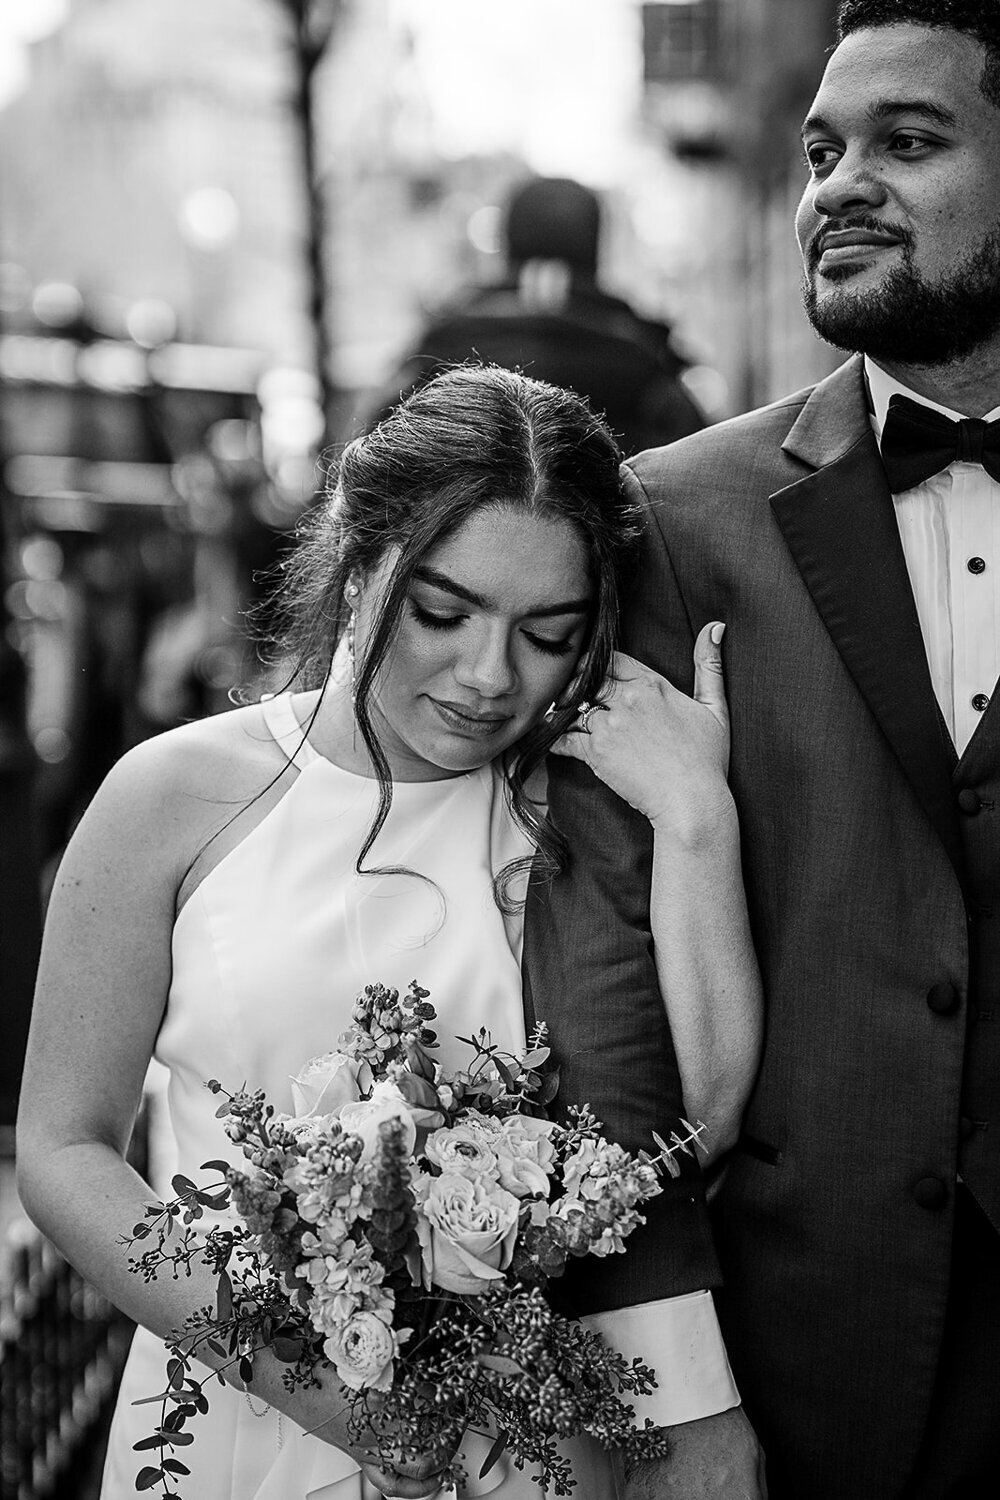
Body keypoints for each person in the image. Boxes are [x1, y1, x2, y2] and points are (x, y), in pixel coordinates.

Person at [16, 365, 761, 1500]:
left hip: (522, 1444)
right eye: (443, 612)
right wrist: (320, 1386)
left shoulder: (585, 814)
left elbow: (693, 1128)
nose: (487, 676)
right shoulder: (171, 795)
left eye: (548, 633)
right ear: (362, 561)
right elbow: (66, 1153)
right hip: (228, 1415)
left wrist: (699, 820)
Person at [524, 2, 1000, 1497]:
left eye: (907, 142)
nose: (835, 186)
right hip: (800, 1356)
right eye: (819, 152)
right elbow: (598, 979)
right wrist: (673, 1386)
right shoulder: (675, 517)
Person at [362, 176, 708, 454]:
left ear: (505, 242)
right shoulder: (648, 366)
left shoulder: (431, 358)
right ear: (597, 248)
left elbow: (361, 482)